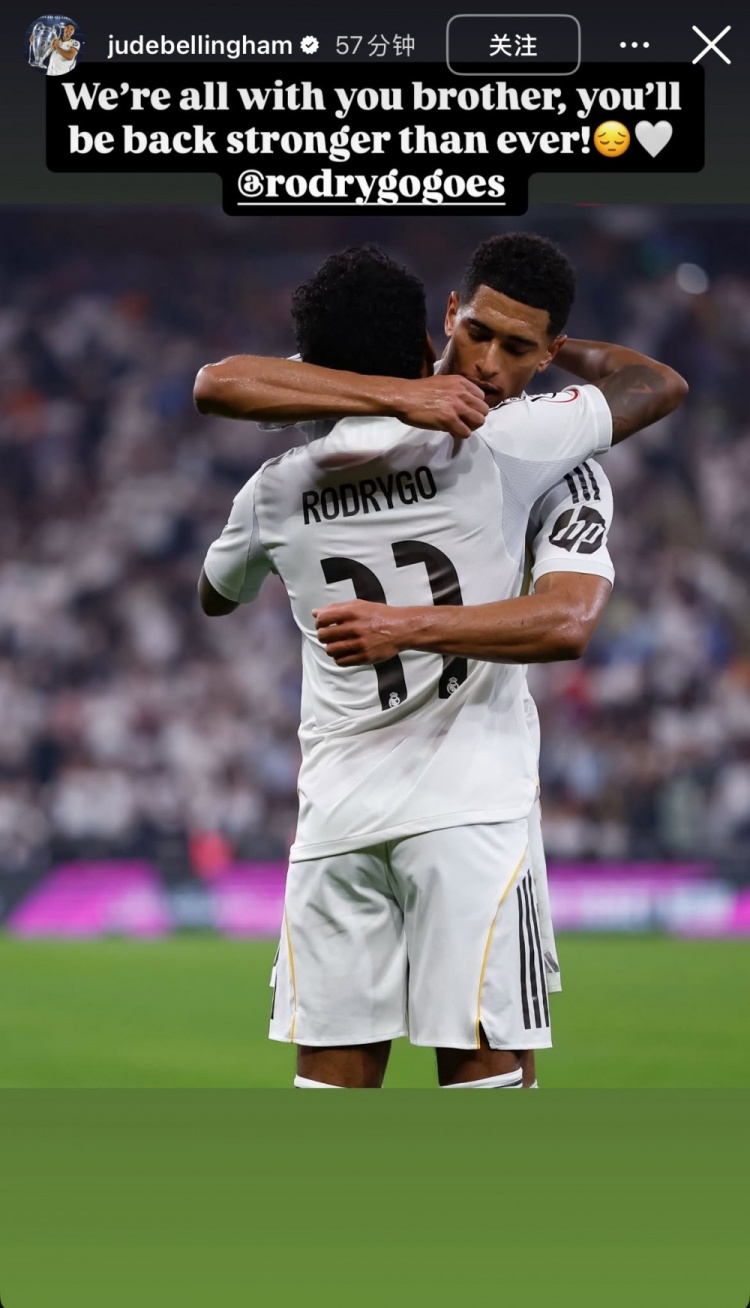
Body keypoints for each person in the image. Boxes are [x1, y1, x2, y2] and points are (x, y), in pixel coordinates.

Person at [196, 239, 687, 1089]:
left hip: (337, 819)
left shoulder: (275, 486)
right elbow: (656, 385)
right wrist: (427, 391)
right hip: (470, 811)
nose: (490, 366)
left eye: (519, 347)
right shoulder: (519, 441)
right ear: (440, 326)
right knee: (487, 1094)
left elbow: (218, 410)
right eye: (480, 336)